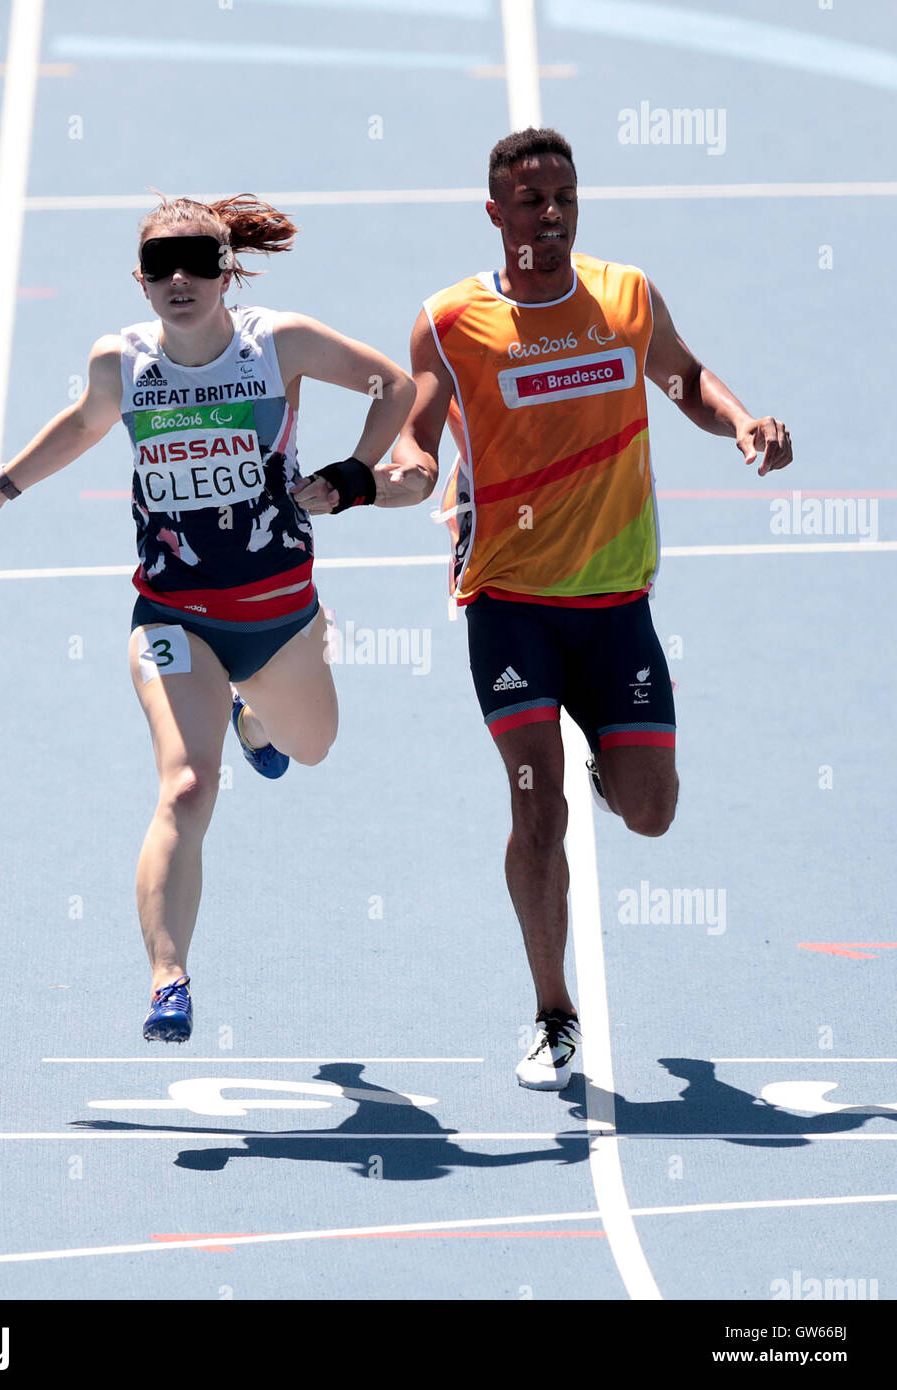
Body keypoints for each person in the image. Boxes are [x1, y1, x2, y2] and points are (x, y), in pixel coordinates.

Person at [0, 194, 415, 1043]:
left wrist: (350, 472)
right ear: (141, 282)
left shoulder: (279, 343)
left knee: (313, 745)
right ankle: (168, 980)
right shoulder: (122, 361)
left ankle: (255, 717)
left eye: (196, 261)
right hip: (171, 614)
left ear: (227, 272)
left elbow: (395, 385)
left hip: (279, 611)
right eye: (160, 265)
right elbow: (82, 425)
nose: (179, 278)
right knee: (188, 786)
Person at [385, 128, 793, 1090]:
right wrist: (398, 471)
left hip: (616, 606)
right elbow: (414, 434)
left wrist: (742, 421)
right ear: (495, 214)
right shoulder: (451, 321)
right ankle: (552, 1013)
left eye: (564, 195)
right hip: (511, 605)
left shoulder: (625, 297)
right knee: (536, 805)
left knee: (650, 815)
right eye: (531, 201)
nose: (553, 214)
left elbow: (683, 377)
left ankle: (616, 774)